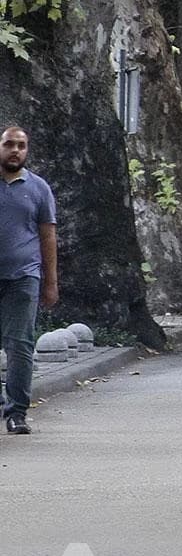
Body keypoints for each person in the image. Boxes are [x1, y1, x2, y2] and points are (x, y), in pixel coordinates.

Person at [0, 126, 57, 435]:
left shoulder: (38, 188)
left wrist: (51, 282)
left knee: (20, 346)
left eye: (21, 145)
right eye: (9, 144)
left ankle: (17, 412)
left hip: (24, 277)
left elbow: (48, 237)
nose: (15, 150)